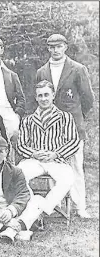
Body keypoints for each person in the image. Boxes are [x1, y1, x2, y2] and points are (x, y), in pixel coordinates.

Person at [36, 34, 95, 218]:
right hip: (51, 127)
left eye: (59, 46)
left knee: (76, 165)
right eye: (52, 47)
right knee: (54, 165)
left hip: (74, 126)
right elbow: (39, 98)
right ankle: (57, 206)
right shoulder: (41, 72)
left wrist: (77, 116)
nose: (55, 50)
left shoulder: (78, 69)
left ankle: (80, 206)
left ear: (65, 47)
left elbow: (88, 99)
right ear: (48, 48)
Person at [17, 80, 80, 223]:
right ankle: (31, 207)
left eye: (47, 95)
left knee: (67, 178)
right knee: (18, 174)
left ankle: (41, 209)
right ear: (36, 97)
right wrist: (33, 153)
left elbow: (73, 142)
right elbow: (20, 145)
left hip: (56, 160)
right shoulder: (28, 120)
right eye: (40, 96)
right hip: (35, 160)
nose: (44, 99)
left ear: (53, 96)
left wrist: (56, 153)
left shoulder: (65, 117)